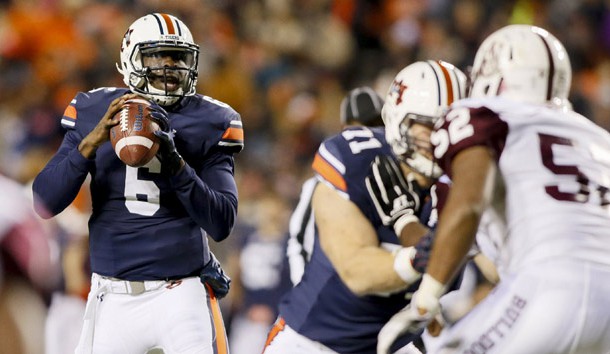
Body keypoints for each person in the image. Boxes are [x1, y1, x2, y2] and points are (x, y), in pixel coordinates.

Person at [376, 24, 610, 354]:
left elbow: (468, 204)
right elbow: (460, 244)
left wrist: (425, 300)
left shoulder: (485, 115)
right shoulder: (599, 138)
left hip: (548, 285)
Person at [32, 13, 243, 354]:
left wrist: (176, 163)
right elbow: (44, 201)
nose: (170, 67)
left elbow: (221, 222)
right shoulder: (93, 111)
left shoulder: (211, 120)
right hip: (111, 295)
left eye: (179, 57)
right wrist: (90, 143)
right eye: (158, 56)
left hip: (181, 293)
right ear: (131, 59)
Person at [263, 61, 465, 354]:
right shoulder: (355, 161)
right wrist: (426, 258)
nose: (439, 138)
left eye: (450, 127)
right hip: (316, 342)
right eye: (428, 126)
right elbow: (358, 272)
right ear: (397, 119)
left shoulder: (466, 183)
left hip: (394, 344)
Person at [286, 86, 385, 286]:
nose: (366, 132)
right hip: (334, 295)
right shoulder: (321, 182)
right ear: (344, 129)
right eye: (357, 126)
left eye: (373, 124)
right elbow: (299, 240)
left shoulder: (404, 176)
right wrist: (306, 291)